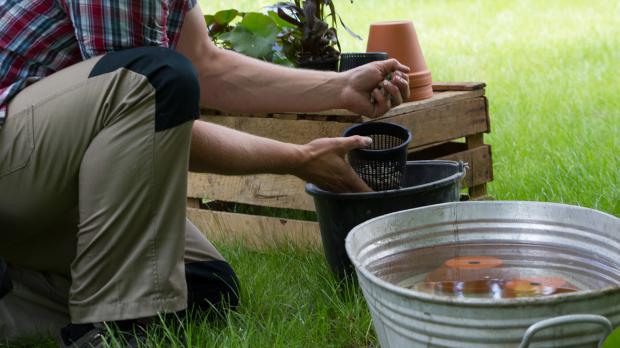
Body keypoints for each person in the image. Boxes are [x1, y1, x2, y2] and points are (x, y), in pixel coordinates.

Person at [0, 0, 410, 346]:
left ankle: (12, 300)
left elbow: (205, 64)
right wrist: (297, 157)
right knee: (158, 79)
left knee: (204, 288)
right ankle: (107, 330)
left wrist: (338, 88)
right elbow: (147, 100)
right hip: (13, 158)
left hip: (45, 170)